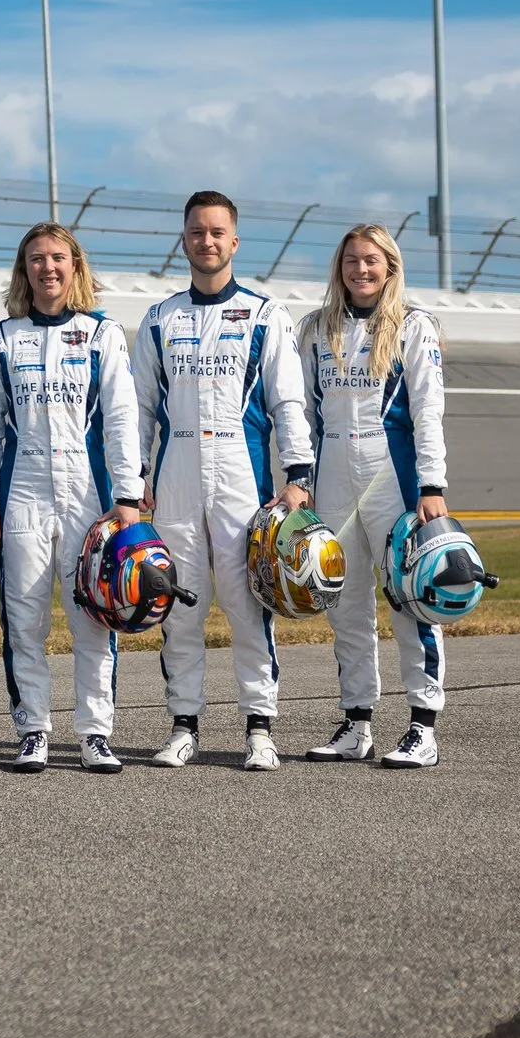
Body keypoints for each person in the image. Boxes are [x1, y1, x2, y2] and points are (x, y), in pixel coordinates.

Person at [133, 191, 314, 772]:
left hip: (241, 473)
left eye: (217, 232)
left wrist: (298, 475)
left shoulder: (266, 314)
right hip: (177, 471)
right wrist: (133, 481)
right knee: (179, 606)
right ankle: (183, 725)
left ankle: (260, 729)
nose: (206, 241)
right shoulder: (160, 318)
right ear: (183, 240)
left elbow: (288, 401)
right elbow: (138, 410)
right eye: (196, 232)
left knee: (245, 605)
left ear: (234, 242)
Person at [0, 222, 142, 774]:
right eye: (37, 259)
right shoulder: (2, 337)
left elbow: (121, 419)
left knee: (94, 614)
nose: (48, 267)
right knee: (23, 618)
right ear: (24, 270)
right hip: (22, 492)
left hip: (88, 494)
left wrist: (128, 497)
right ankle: (33, 731)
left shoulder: (101, 333)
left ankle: (95, 733)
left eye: (58, 258)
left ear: (76, 266)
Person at [299, 223, 452, 769]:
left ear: (390, 266)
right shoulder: (316, 329)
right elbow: (306, 416)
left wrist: (431, 487)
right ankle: (357, 721)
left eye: (371, 261)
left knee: (411, 600)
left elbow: (428, 412)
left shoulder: (414, 326)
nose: (360, 271)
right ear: (339, 269)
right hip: (334, 475)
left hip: (394, 478)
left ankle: (422, 726)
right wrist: (302, 483)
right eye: (350, 262)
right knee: (345, 603)